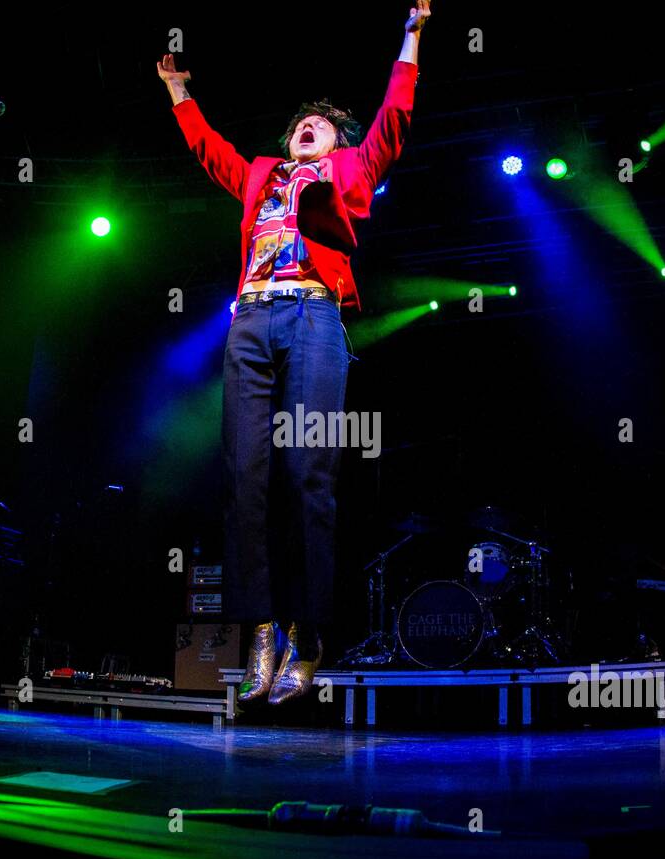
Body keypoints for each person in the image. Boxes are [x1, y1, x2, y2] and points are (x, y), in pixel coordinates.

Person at [158, 1, 431, 704]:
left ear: (336, 141)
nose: (305, 127)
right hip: (250, 321)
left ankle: (308, 634)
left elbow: (393, 122)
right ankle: (260, 630)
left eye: (320, 125)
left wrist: (409, 39)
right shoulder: (260, 176)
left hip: (314, 317)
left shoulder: (349, 172)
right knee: (244, 478)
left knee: (310, 474)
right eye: (299, 124)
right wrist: (179, 93)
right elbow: (210, 150)